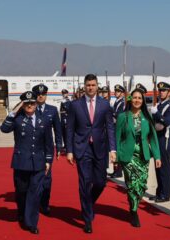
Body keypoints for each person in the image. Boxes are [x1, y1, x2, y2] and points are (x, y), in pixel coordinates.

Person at [66, 74, 116, 234]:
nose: (91, 88)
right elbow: (70, 129)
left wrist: (113, 149)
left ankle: (88, 204)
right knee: (85, 183)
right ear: (84, 86)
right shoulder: (75, 105)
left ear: (97, 86)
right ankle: (87, 220)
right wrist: (69, 151)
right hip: (82, 149)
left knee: (101, 183)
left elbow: (109, 127)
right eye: (88, 85)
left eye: (93, 85)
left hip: (100, 148)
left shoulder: (105, 105)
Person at [1, 91, 53, 234]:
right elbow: (4, 129)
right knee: (21, 191)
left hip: (38, 163)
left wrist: (49, 160)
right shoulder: (17, 119)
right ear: (23, 105)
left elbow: (49, 142)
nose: (30, 105)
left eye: (32, 103)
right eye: (27, 103)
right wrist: (13, 112)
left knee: (35, 193)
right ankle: (22, 213)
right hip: (21, 162)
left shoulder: (44, 120)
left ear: (36, 104)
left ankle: (31, 223)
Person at [116, 86, 161, 227]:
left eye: (139, 98)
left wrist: (157, 156)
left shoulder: (147, 118)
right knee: (132, 183)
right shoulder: (123, 117)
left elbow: (153, 138)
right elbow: (117, 137)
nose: (137, 100)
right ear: (131, 99)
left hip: (143, 155)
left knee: (141, 185)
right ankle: (134, 211)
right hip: (128, 155)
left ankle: (134, 201)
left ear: (143, 100)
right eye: (134, 97)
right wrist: (116, 156)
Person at [32, 83, 62, 215]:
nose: (40, 96)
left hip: (47, 149)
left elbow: (58, 129)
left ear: (46, 95)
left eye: (43, 94)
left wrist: (59, 145)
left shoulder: (52, 110)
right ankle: (33, 203)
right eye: (38, 95)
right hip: (33, 149)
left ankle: (44, 204)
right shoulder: (29, 109)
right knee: (33, 177)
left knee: (46, 178)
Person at [150, 82, 170, 202]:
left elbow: (166, 121)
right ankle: (159, 191)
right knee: (158, 165)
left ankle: (165, 194)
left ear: (169, 93)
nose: (161, 92)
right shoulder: (158, 105)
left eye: (164, 91)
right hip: (156, 137)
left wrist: (156, 113)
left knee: (164, 166)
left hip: (164, 139)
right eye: (160, 91)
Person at [108, 84, 126, 178]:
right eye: (115, 91)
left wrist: (111, 111)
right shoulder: (117, 101)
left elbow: (120, 114)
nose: (116, 92)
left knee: (118, 149)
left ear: (122, 93)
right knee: (114, 148)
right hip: (114, 126)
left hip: (118, 127)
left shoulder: (122, 103)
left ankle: (118, 171)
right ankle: (115, 170)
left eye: (118, 91)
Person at [60, 89, 71, 153]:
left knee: (66, 134)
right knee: (63, 133)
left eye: (65, 93)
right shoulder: (62, 100)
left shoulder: (68, 101)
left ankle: (67, 146)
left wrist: (66, 119)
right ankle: (65, 145)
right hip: (62, 118)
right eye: (63, 93)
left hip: (66, 118)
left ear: (67, 94)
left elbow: (68, 110)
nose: (64, 94)